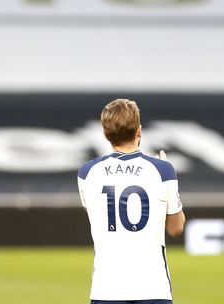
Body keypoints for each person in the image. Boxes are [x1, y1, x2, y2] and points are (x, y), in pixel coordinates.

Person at [78, 99, 185, 304]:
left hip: (106, 289)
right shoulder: (162, 170)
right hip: (153, 288)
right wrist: (171, 186)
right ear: (139, 131)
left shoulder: (87, 172)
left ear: (105, 134)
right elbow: (176, 228)